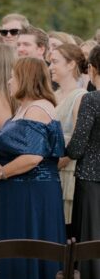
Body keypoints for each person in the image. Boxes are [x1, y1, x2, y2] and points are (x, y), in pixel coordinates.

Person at [0, 56, 66, 279]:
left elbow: (33, 157)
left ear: (27, 78)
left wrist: (1, 171)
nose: (9, 81)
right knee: (15, 255)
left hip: (30, 195)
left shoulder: (37, 109)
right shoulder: (24, 108)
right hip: (18, 195)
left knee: (27, 254)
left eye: (14, 76)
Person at [69, 46, 100, 279]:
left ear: (92, 69)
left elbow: (77, 147)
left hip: (92, 180)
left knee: (91, 244)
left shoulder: (91, 100)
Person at [49, 43, 87, 223]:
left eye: (55, 62)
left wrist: (57, 163)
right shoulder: (52, 95)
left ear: (71, 64)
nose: (50, 67)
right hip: (49, 172)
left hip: (67, 173)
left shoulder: (80, 97)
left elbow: (79, 138)